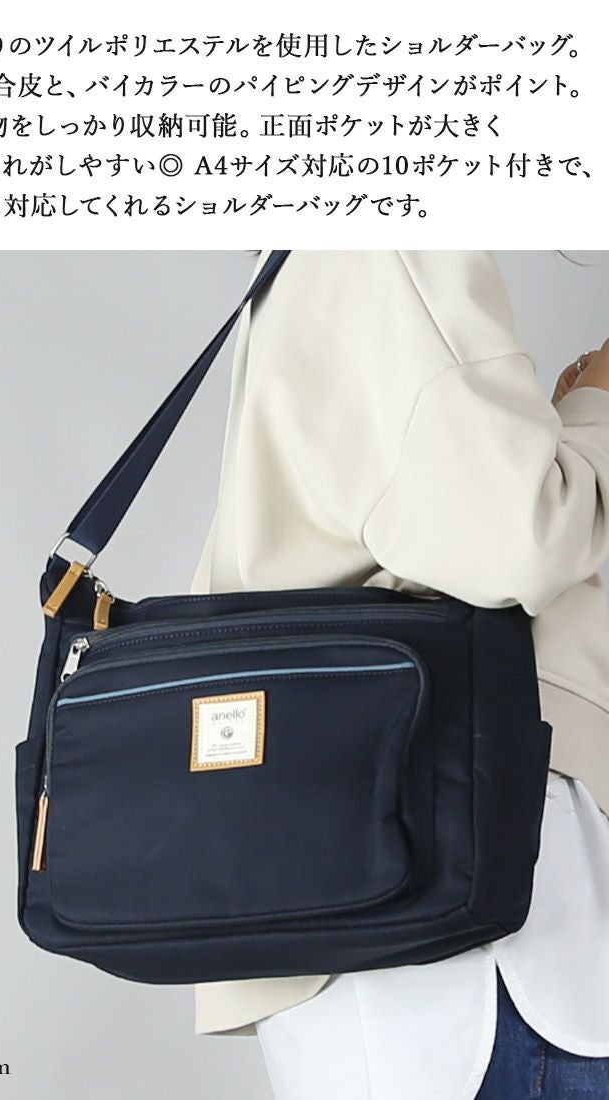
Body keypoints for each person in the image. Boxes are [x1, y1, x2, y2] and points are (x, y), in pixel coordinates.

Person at [188, 251, 609, 1099]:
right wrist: (598, 412)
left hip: (397, 919)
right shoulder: (385, 246)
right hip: (474, 942)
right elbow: (511, 543)